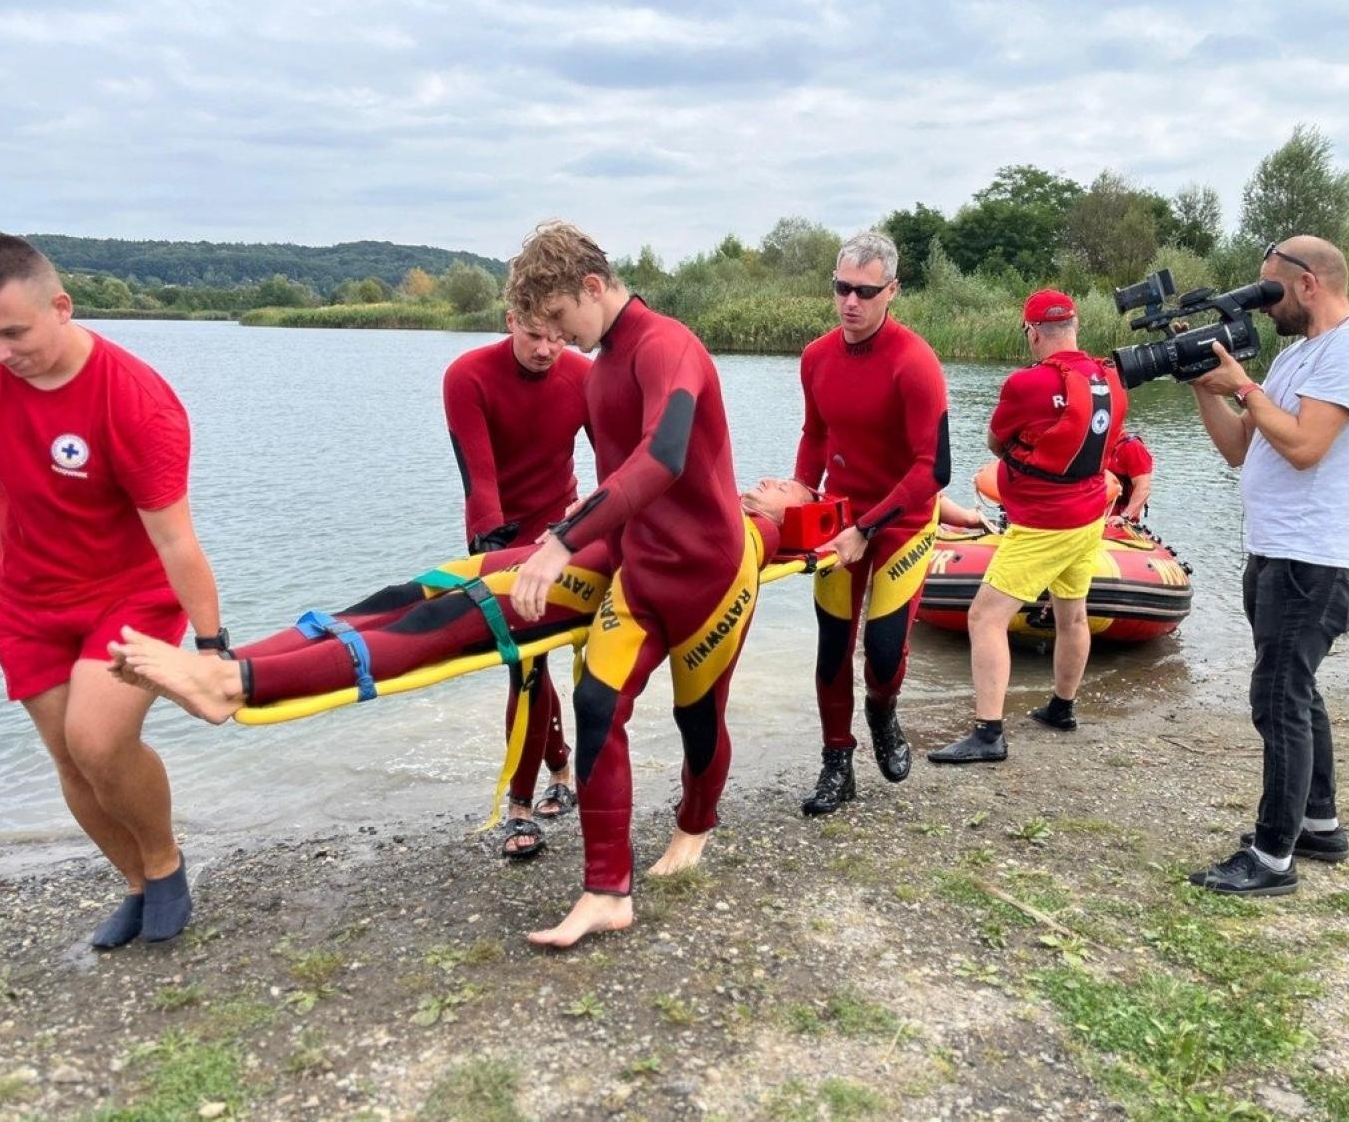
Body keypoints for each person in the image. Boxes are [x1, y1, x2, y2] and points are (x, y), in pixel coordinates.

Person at [0, 233, 224, 948]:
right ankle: (134, 883)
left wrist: (213, 648)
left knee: (97, 740)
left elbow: (175, 541)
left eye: (12, 332)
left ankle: (165, 864)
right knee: (66, 756)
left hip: (132, 596)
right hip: (24, 602)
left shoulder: (135, 399)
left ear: (60, 307)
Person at [503, 221, 755, 947]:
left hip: (711, 572)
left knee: (697, 718)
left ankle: (695, 825)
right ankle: (607, 890)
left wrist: (561, 539)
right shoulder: (602, 363)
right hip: (641, 572)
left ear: (591, 286)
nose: (556, 338)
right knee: (595, 704)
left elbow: (664, 458)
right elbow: (610, 480)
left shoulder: (667, 346)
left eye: (557, 319)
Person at [109, 477, 818, 727]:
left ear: (797, 511)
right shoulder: (725, 505)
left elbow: (701, 559)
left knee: (422, 627)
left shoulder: (758, 530)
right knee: (384, 603)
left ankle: (233, 682)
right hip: (512, 562)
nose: (766, 480)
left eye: (785, 482)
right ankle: (226, 663)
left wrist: (595, 525)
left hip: (550, 590)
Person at [1186, 237, 1349, 896]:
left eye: (1268, 290)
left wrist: (1245, 386)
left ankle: (1273, 858)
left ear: (1308, 284)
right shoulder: (1297, 355)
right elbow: (1239, 451)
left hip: (1314, 556)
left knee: (1277, 698)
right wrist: (1207, 388)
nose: (1262, 304)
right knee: (1297, 690)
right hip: (1277, 549)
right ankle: (1319, 823)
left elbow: (1307, 447)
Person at [928, 289, 1126, 765]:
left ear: (1033, 332)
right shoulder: (1111, 379)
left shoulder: (1025, 385)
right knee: (1072, 614)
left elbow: (997, 442)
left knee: (985, 616)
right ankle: (1062, 707)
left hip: (1042, 523)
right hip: (1088, 516)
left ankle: (988, 733)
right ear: (1075, 327)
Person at [793, 232, 950, 815]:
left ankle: (883, 711)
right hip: (842, 518)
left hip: (903, 520)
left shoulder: (914, 363)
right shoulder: (815, 357)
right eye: (842, 288)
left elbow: (934, 469)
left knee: (882, 652)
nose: (850, 302)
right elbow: (814, 436)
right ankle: (838, 762)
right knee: (833, 646)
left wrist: (870, 527)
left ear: (892, 291)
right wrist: (803, 498)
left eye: (865, 291)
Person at [443, 309, 591, 857]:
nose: (547, 349)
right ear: (510, 320)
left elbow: (619, 462)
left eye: (560, 336)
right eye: (533, 334)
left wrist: (588, 527)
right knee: (524, 665)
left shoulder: (582, 376)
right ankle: (538, 787)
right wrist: (496, 559)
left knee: (544, 661)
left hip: (562, 538)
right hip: (498, 537)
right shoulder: (469, 376)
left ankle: (545, 783)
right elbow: (478, 480)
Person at [1105, 432, 1153, 522]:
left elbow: (1144, 488)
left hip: (1116, 521)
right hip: (1092, 520)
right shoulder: (1090, 445)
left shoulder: (1133, 446)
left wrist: (1124, 517)